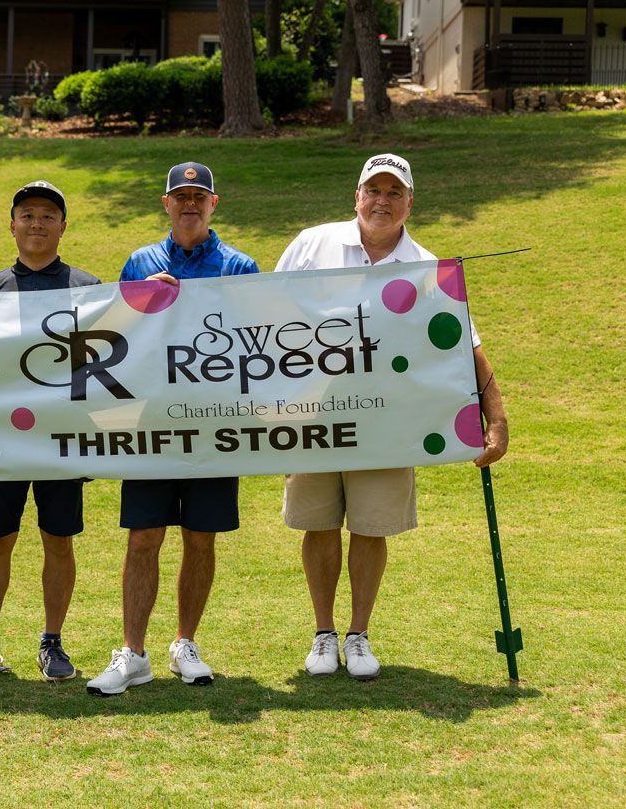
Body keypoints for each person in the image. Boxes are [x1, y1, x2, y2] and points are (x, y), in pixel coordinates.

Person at [274, 153, 509, 680]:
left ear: (409, 202)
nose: (382, 201)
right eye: (373, 190)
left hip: (388, 420)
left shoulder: (427, 267)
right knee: (318, 523)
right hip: (313, 414)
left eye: (394, 193)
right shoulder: (313, 244)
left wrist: (496, 419)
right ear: (356, 195)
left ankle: (358, 634)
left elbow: (465, 347)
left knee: (371, 525)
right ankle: (323, 634)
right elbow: (264, 317)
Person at [87, 162, 259, 696]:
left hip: (214, 424)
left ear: (214, 204)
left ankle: (185, 643)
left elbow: (256, 340)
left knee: (200, 537)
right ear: (165, 204)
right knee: (144, 536)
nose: (189, 204)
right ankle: (133, 653)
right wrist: (140, 300)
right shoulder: (140, 262)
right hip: (152, 423)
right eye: (180, 196)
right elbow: (116, 339)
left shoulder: (239, 266)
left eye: (198, 196)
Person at [0, 181, 101, 686]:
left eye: (47, 215)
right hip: (2, 444)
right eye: (27, 215)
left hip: (61, 442)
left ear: (63, 225)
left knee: (58, 541)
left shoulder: (87, 287)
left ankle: (52, 641)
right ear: (12, 224)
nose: (36, 223)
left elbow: (99, 370)